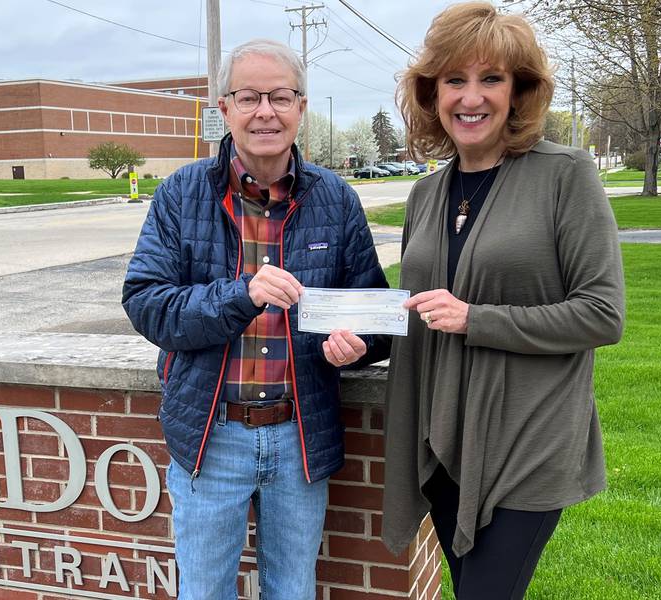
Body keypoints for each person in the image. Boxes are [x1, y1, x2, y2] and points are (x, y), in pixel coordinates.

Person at [122, 39, 389, 600]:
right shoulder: (181, 194)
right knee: (204, 592)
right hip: (210, 436)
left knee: (292, 590)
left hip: (300, 436)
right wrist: (241, 295)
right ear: (224, 108)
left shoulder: (336, 199)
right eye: (249, 97)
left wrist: (358, 342)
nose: (265, 111)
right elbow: (147, 303)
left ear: (300, 106)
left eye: (280, 96)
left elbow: (374, 310)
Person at [381, 3, 625, 599]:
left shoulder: (565, 175)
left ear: (518, 91)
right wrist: (355, 341)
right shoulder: (426, 193)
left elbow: (602, 313)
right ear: (431, 93)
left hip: (528, 436)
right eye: (454, 80)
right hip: (444, 437)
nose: (472, 97)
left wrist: (476, 319)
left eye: (491, 78)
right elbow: (418, 309)